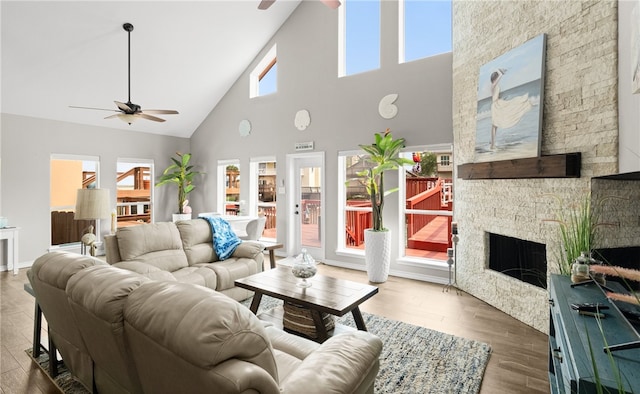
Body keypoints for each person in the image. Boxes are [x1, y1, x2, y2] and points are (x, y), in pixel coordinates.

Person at [489, 68, 532, 149]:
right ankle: (492, 143)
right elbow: (497, 80)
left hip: (497, 103)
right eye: (496, 78)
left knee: (495, 125)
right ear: (494, 78)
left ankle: (492, 143)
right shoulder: (493, 85)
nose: (497, 79)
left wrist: (502, 98)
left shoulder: (495, 86)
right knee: (494, 125)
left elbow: (496, 96)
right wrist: (500, 72)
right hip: (495, 105)